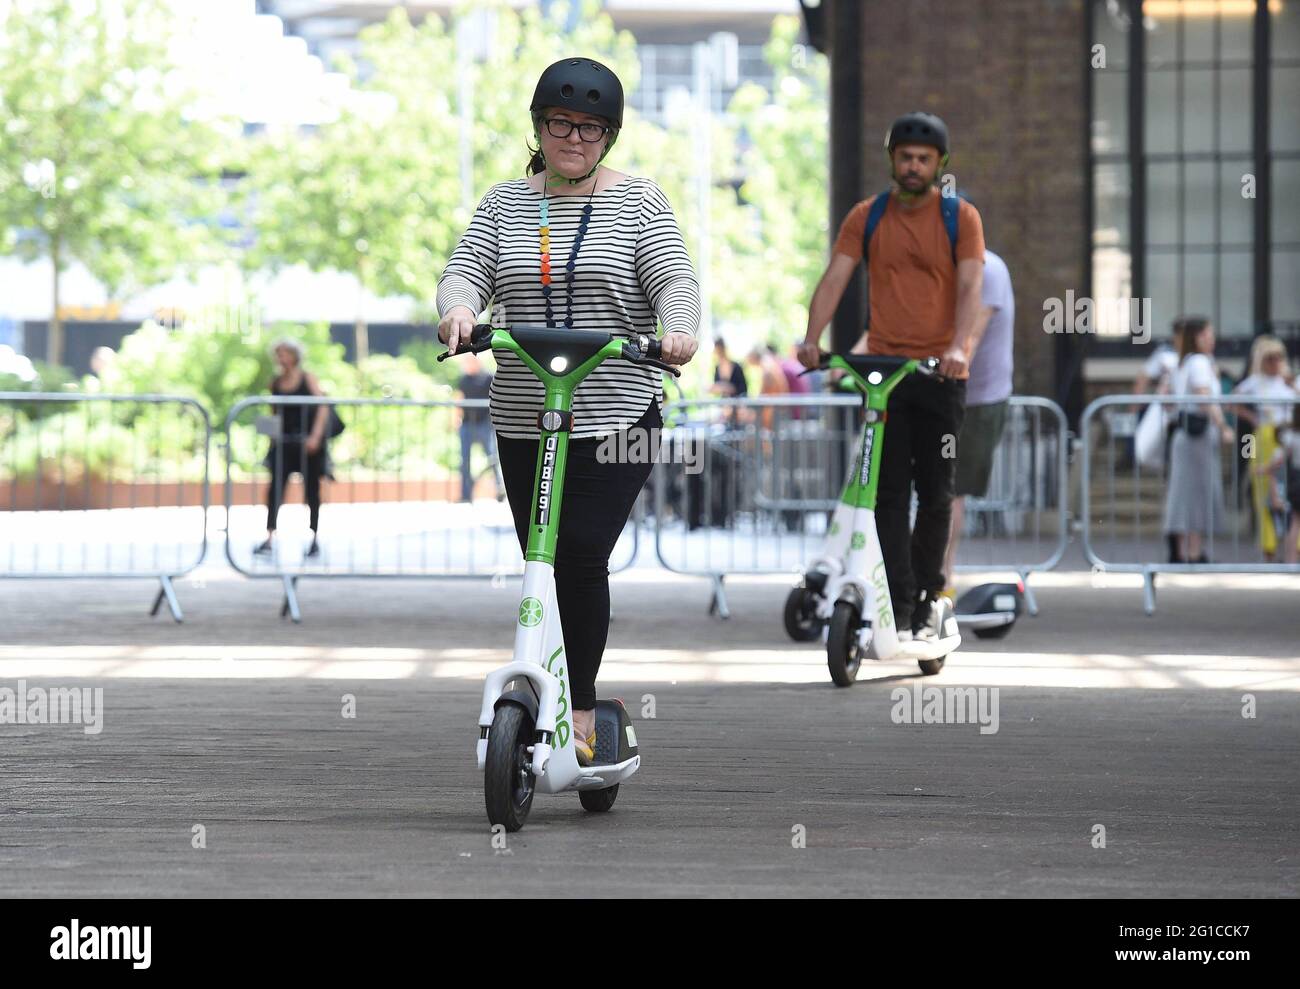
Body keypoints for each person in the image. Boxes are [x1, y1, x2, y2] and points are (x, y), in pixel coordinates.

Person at [435, 58, 699, 766]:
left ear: (607, 135)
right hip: (527, 416)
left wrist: (678, 329)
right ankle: (543, 687)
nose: (572, 137)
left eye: (588, 127)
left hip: (616, 415)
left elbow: (673, 276)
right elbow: (467, 268)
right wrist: (458, 309)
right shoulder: (504, 204)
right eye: (560, 123)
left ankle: (579, 708)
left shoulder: (641, 202)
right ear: (540, 127)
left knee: (579, 551)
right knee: (540, 559)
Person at [798, 111, 985, 641]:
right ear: (891, 160)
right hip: (885, 375)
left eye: (924, 159)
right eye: (905, 156)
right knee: (886, 495)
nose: (913, 166)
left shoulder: (960, 218)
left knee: (936, 491)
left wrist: (956, 346)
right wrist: (813, 340)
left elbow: (971, 288)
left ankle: (930, 595)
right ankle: (896, 600)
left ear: (939, 164)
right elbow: (835, 277)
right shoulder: (868, 216)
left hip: (940, 375)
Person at [942, 245, 1014, 592]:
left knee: (949, 489)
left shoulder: (991, 269)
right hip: (946, 393)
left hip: (976, 400)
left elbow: (971, 334)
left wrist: (946, 366)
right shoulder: (942, 264)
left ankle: (941, 580)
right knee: (937, 487)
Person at [1163, 317, 1232, 564]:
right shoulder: (1200, 362)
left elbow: (1168, 398)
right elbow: (1205, 399)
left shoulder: (1183, 363)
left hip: (1184, 433)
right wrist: (1223, 426)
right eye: (1208, 334)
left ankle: (1185, 550)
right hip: (1197, 435)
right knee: (1198, 493)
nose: (1212, 339)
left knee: (1185, 493)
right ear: (1198, 337)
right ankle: (1192, 551)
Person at [255, 338, 333, 558]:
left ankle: (314, 537)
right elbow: (273, 413)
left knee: (312, 491)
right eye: (278, 354)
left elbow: (322, 407)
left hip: (308, 443)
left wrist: (315, 436)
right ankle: (270, 536)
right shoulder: (276, 382)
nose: (281, 358)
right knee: (275, 490)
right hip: (284, 444)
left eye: (285, 353)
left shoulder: (307, 378)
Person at [1232, 336, 1297, 560]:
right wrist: (1252, 417)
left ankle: (1293, 547)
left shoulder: (1287, 381)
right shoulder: (1255, 382)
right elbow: (1232, 401)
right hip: (1263, 437)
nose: (1275, 363)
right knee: (1263, 494)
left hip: (1287, 437)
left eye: (1278, 358)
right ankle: (1268, 547)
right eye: (1270, 358)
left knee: (1292, 493)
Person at [1256, 403, 1300, 564]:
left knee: (1294, 522)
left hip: (1295, 480)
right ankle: (1289, 560)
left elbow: (1279, 460)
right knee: (1292, 522)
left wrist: (1264, 469)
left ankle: (1291, 560)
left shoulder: (1290, 438)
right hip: (1295, 481)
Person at [456, 352, 500, 503]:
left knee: (492, 458)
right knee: (464, 461)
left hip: (485, 424)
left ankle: (500, 490)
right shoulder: (463, 379)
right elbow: (459, 398)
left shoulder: (488, 377)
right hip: (467, 424)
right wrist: (456, 419)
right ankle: (466, 494)